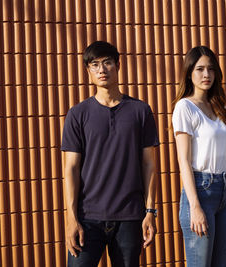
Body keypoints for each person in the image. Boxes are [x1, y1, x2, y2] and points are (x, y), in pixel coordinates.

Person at [61, 41, 159, 267]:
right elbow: (71, 168)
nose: (102, 70)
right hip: (87, 218)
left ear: (118, 65)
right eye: (94, 65)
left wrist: (150, 211)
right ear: (88, 72)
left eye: (107, 63)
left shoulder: (140, 111)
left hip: (129, 217)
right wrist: (71, 218)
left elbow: (149, 166)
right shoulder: (78, 114)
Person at [172, 46, 226, 267]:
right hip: (201, 191)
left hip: (225, 191)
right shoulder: (185, 107)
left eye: (211, 69)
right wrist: (194, 206)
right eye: (200, 69)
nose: (206, 75)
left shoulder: (220, 106)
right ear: (189, 73)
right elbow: (183, 160)